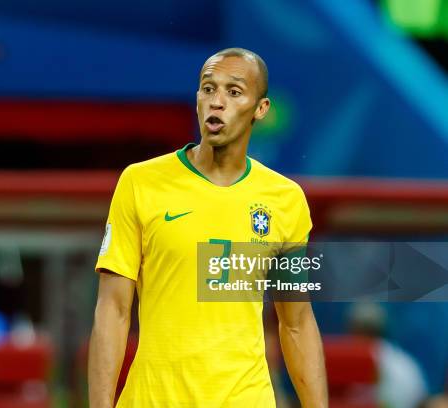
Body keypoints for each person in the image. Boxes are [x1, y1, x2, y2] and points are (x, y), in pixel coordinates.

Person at [88, 48, 328, 407]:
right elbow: (114, 309)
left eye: (233, 92)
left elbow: (296, 322)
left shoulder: (286, 200)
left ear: (260, 109)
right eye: (208, 89)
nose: (217, 102)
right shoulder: (140, 183)